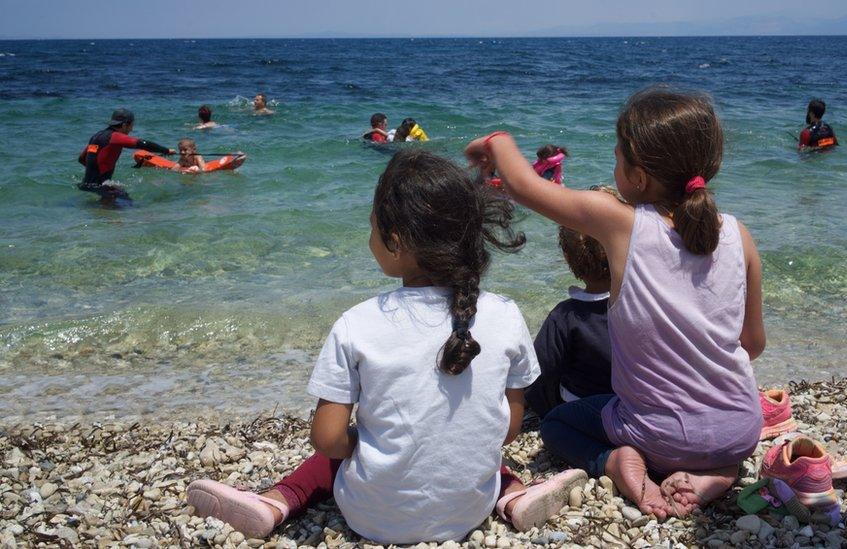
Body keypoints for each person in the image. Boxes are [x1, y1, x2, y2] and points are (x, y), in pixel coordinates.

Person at [186, 150, 587, 543]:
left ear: (395, 242)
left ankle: (276, 502)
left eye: (372, 228)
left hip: (370, 516)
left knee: (336, 457)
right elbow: (508, 429)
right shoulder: (505, 313)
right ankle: (513, 494)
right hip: (469, 511)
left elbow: (327, 440)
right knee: (466, 441)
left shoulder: (358, 323)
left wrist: (366, 444)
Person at [465, 87, 766, 520]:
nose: (614, 165)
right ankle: (717, 472)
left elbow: (523, 186)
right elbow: (751, 344)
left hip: (658, 435)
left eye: (617, 157)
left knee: (558, 424)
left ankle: (616, 462)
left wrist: (495, 141)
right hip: (741, 429)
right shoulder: (740, 235)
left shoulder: (621, 224)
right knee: (710, 440)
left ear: (638, 177)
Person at [524, 185, 621, 419]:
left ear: (568, 258)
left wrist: (549, 413)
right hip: (637, 407)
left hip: (583, 412)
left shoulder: (565, 317)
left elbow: (540, 375)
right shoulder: (648, 304)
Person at [77, 108, 174, 202]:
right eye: (131, 125)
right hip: (101, 186)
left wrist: (95, 171)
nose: (131, 129)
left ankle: (102, 213)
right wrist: (166, 150)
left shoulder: (96, 136)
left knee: (109, 206)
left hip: (86, 184)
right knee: (128, 206)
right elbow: (142, 143)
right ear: (124, 125)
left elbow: (81, 158)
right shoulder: (115, 136)